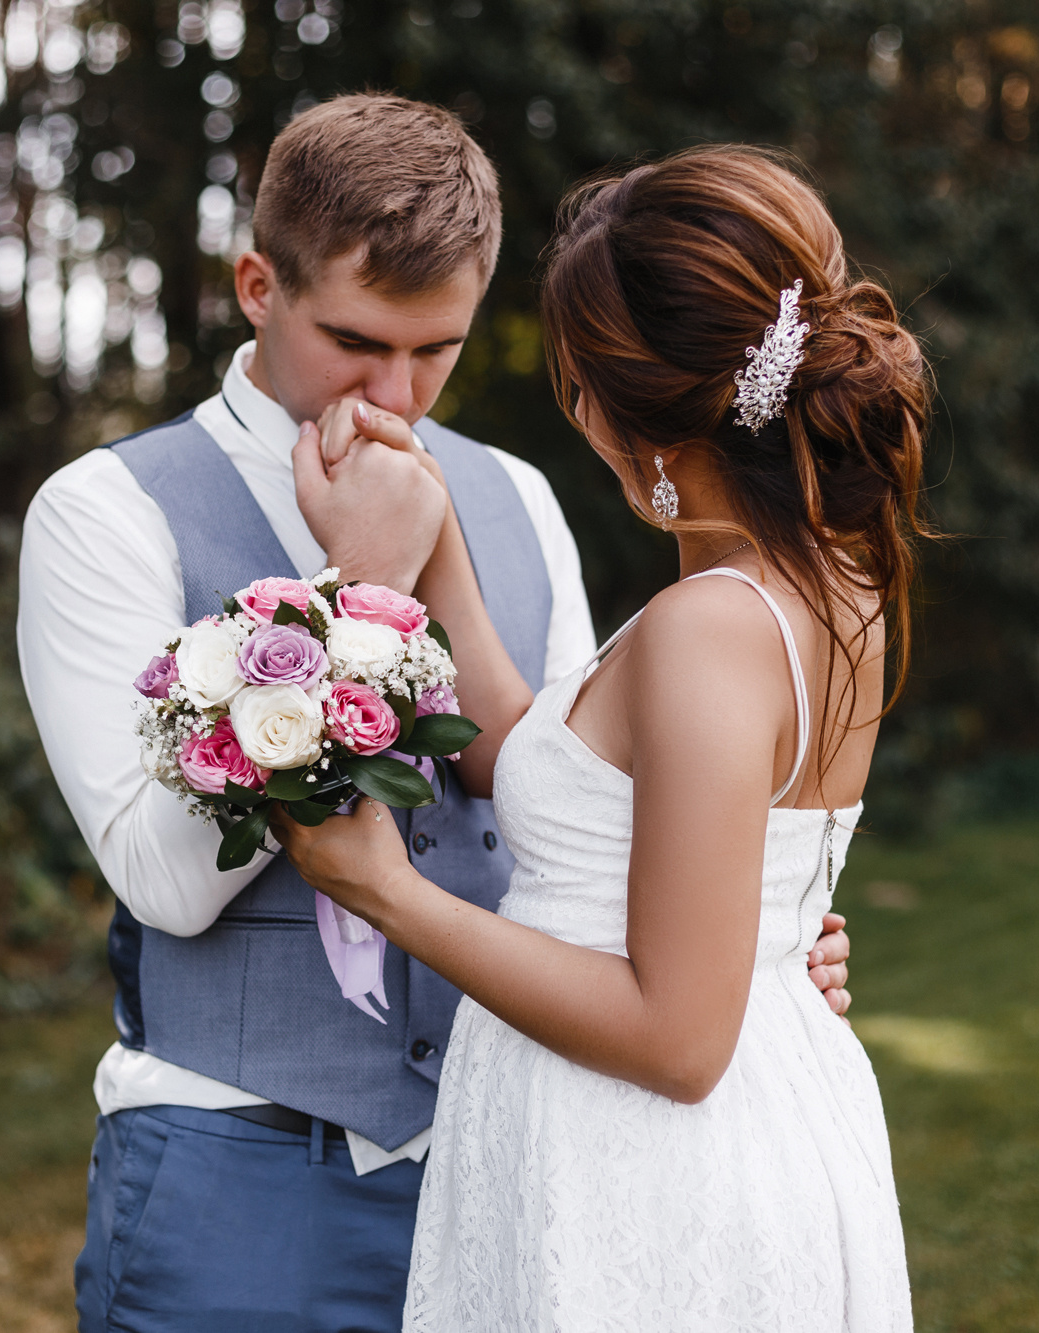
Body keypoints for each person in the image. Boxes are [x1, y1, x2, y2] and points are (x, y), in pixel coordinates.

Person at [18, 98, 855, 1332]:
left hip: (523, 1163)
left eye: (436, 350)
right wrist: (352, 592)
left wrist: (757, 939)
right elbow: (166, 885)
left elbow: (573, 819)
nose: (394, 391)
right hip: (239, 1174)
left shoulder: (515, 495)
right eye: (354, 340)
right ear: (257, 286)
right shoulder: (106, 511)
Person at [275, 144, 921, 1331]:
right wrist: (434, 535)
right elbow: (551, 772)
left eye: (575, 385)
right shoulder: (822, 585)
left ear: (628, 415)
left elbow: (676, 1039)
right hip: (728, 1108)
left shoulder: (706, 627)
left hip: (652, 1160)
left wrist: (389, 894)